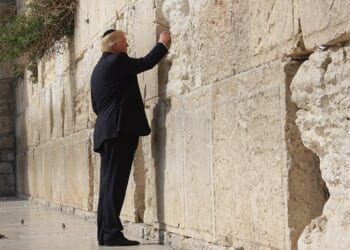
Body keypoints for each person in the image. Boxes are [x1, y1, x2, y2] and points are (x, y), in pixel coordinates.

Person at [90, 29, 171, 246]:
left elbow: (96, 106)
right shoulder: (117, 61)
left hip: (106, 132)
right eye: (124, 42)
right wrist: (162, 44)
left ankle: (105, 233)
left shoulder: (98, 69)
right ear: (114, 45)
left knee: (108, 185)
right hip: (119, 132)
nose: (127, 46)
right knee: (114, 185)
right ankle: (113, 234)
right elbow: (145, 63)